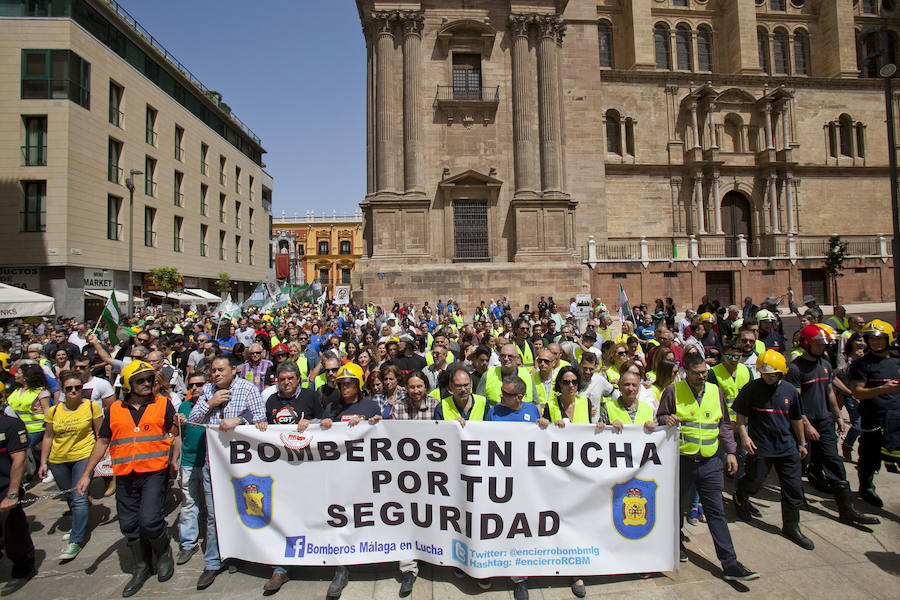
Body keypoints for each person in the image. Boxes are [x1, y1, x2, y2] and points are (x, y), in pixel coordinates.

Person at [75, 360, 179, 597]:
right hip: (124, 475)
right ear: (127, 384)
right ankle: (142, 566)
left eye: (149, 380)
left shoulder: (164, 405)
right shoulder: (113, 410)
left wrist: (173, 460)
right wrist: (86, 474)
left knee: (150, 520)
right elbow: (102, 441)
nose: (146, 384)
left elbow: (174, 433)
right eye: (140, 381)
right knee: (129, 525)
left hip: (153, 472)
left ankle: (163, 554)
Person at [656, 352, 758, 581]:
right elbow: (660, 416)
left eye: (705, 372)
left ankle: (730, 563)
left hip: (711, 462)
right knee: (675, 510)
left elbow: (723, 424)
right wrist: (667, 419)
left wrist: (731, 451)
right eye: (697, 373)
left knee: (716, 513)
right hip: (682, 461)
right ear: (686, 372)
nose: (702, 376)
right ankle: (675, 546)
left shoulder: (715, 391)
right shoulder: (673, 391)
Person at [188, 353, 267, 591]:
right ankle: (213, 562)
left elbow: (261, 421)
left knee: (245, 510)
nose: (216, 374)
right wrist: (210, 403)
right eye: (213, 370)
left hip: (242, 464)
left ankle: (240, 553)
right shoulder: (208, 391)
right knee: (214, 515)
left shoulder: (249, 389)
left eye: (221, 370)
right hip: (213, 462)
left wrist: (240, 421)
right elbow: (192, 421)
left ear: (235, 370)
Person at [786, 325, 878, 525]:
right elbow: (795, 402)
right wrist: (806, 425)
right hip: (805, 422)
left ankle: (846, 509)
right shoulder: (795, 369)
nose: (823, 347)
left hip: (825, 420)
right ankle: (797, 496)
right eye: (818, 344)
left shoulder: (825, 363)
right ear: (806, 344)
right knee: (800, 461)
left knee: (833, 461)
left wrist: (837, 415)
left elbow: (829, 390)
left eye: (823, 344)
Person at [732, 351, 813, 550]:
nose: (769, 377)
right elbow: (740, 415)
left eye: (773, 374)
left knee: (792, 487)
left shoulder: (790, 391)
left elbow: (796, 418)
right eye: (765, 374)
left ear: (781, 373)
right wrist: (744, 436)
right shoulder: (751, 389)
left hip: (787, 447)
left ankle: (791, 526)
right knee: (755, 479)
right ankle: (741, 497)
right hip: (761, 447)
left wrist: (801, 443)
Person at [319, 362, 382, 599]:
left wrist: (372, 421)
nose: (344, 387)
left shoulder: (370, 405)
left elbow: (382, 429)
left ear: (357, 385)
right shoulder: (331, 407)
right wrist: (322, 425)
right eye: (341, 383)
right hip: (339, 474)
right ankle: (341, 568)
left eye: (348, 383)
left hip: (365, 474)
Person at [38, 369, 102, 560]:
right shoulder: (54, 411)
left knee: (79, 495)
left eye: (77, 387)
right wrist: (43, 462)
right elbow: (48, 436)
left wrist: (101, 458)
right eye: (69, 388)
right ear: (63, 390)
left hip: (83, 456)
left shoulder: (91, 407)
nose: (74, 391)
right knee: (70, 497)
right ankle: (78, 524)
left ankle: (76, 540)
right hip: (58, 460)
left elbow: (100, 434)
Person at [385, 370, 438, 596]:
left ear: (426, 387)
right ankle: (408, 569)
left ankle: (433, 555)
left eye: (420, 387)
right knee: (407, 519)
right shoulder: (397, 407)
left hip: (433, 475)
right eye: (412, 387)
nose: (416, 391)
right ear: (406, 388)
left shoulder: (437, 406)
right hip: (405, 476)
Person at [849, 319, 900, 508]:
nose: (876, 343)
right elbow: (857, 392)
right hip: (874, 419)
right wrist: (883, 389)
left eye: (880, 339)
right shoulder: (862, 365)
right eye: (872, 339)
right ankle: (866, 486)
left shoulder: (897, 361)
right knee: (870, 456)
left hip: (897, 418)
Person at [0, 410, 35, 595]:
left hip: (5, 490)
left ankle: (23, 569)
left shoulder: (10, 425)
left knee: (13, 534)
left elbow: (19, 460)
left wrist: (12, 493)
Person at [175, 369, 208, 567]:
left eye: (199, 384)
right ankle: (188, 542)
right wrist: (174, 459)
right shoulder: (183, 407)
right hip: (188, 462)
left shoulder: (215, 405)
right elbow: (178, 435)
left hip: (211, 462)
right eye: (191, 385)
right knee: (188, 503)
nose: (194, 388)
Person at [7, 361, 52, 480]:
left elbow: (47, 409)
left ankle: (24, 476)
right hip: (21, 429)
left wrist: (49, 426)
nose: (15, 375)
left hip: (36, 428)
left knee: (23, 451)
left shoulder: (40, 391)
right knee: (33, 451)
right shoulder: (17, 390)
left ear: (26, 376)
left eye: (18, 373)